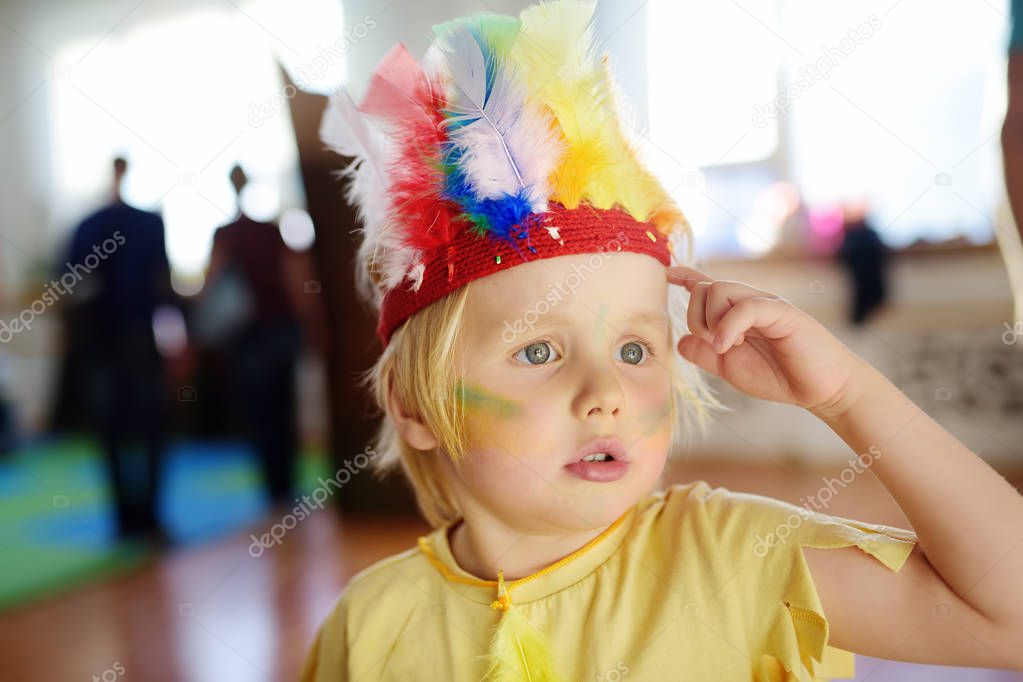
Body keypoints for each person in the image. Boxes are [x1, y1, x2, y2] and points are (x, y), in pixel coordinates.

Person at [301, 3, 1023, 679]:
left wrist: (846, 393)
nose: (606, 395)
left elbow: (1007, 617)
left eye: (634, 350)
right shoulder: (364, 628)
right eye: (538, 351)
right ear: (413, 407)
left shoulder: (736, 557)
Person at [67, 156, 172, 542]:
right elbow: (163, 285)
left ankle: (132, 519)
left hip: (113, 344)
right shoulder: (144, 224)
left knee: (122, 433)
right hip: (126, 341)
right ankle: (141, 517)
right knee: (144, 430)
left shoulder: (89, 226)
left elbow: (72, 287)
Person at [205, 165, 302, 506]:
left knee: (260, 412)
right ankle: (286, 485)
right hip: (279, 330)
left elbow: (211, 284)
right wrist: (312, 326)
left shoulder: (225, 236)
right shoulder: (270, 232)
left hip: (249, 338)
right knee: (283, 408)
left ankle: (273, 488)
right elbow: (296, 281)